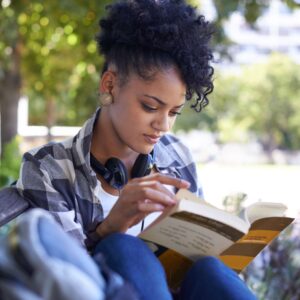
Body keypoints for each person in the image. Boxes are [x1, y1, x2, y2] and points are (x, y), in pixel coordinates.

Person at [11, 0, 256, 299]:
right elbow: (64, 279)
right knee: (122, 247)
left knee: (211, 269)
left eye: (174, 112)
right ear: (110, 85)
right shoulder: (47, 169)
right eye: (150, 106)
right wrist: (108, 230)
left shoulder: (177, 155)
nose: (164, 126)